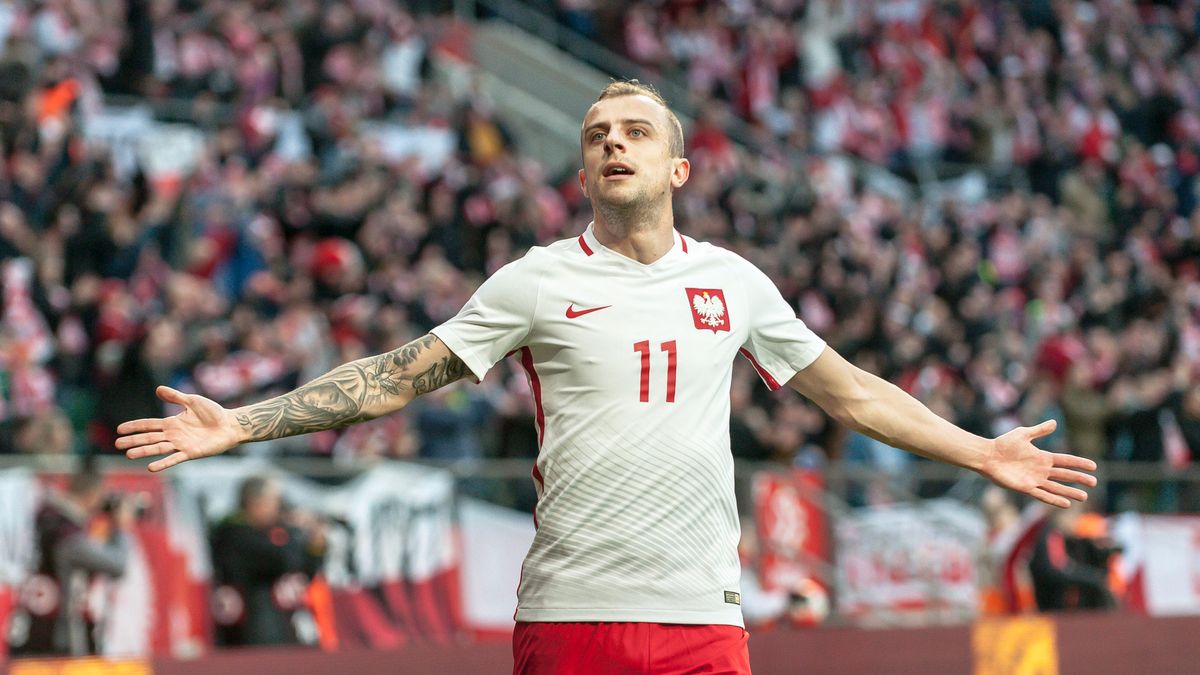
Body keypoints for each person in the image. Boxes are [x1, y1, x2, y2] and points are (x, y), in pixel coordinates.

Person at [118, 80, 1098, 673]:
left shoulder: (735, 283)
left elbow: (851, 392)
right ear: (584, 173)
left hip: (703, 620)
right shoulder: (537, 280)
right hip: (571, 614)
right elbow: (397, 375)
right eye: (597, 136)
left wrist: (980, 451)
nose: (613, 142)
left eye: (635, 131)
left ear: (678, 168)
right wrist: (240, 423)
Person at [11, 468, 134, 656]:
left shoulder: (44, 518)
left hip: (32, 629)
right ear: (92, 495)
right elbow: (117, 565)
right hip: (59, 639)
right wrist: (121, 526)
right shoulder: (67, 534)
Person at [209, 475, 326, 647]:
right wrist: (293, 530)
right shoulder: (233, 533)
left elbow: (305, 571)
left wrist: (315, 546)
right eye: (275, 502)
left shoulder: (271, 532)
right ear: (255, 503)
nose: (279, 509)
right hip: (250, 629)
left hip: (281, 626)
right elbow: (284, 561)